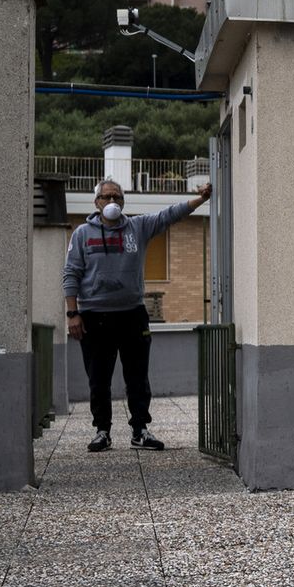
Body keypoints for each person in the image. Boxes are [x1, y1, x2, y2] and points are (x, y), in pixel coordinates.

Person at [64, 178, 213, 452]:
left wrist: (202, 200)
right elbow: (71, 274)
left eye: (116, 197)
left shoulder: (137, 228)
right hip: (94, 317)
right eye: (106, 197)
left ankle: (140, 430)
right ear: (96, 203)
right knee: (98, 378)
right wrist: (73, 313)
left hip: (132, 315)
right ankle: (102, 431)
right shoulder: (82, 234)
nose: (112, 202)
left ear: (123, 201)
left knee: (138, 376)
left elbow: (170, 214)